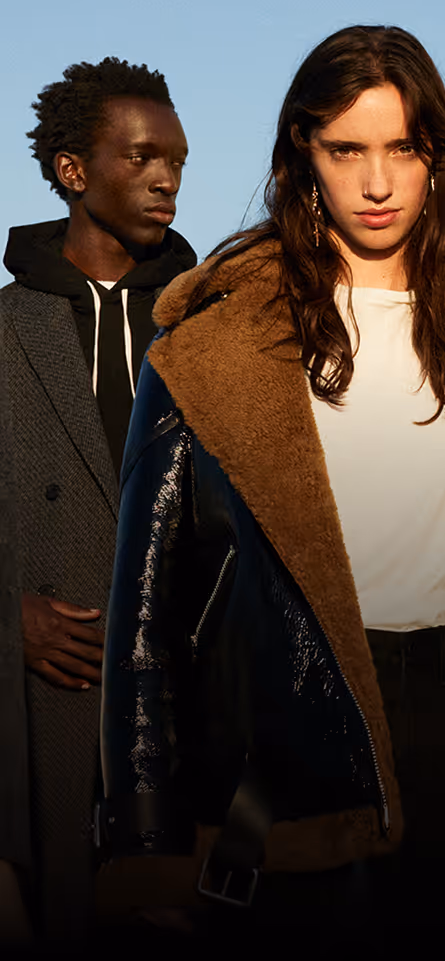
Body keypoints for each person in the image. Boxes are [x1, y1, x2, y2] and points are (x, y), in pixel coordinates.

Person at [98, 26, 445, 944]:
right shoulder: (211, 349)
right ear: (301, 156)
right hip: (291, 750)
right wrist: (146, 840)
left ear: (437, 157)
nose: (376, 181)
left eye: (403, 147)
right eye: (346, 149)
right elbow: (144, 620)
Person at [0, 57, 194, 947]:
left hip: (190, 711)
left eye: (178, 162)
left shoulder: (209, 331)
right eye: (143, 156)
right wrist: (9, 619)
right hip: (45, 708)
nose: (166, 180)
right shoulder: (7, 330)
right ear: (73, 171)